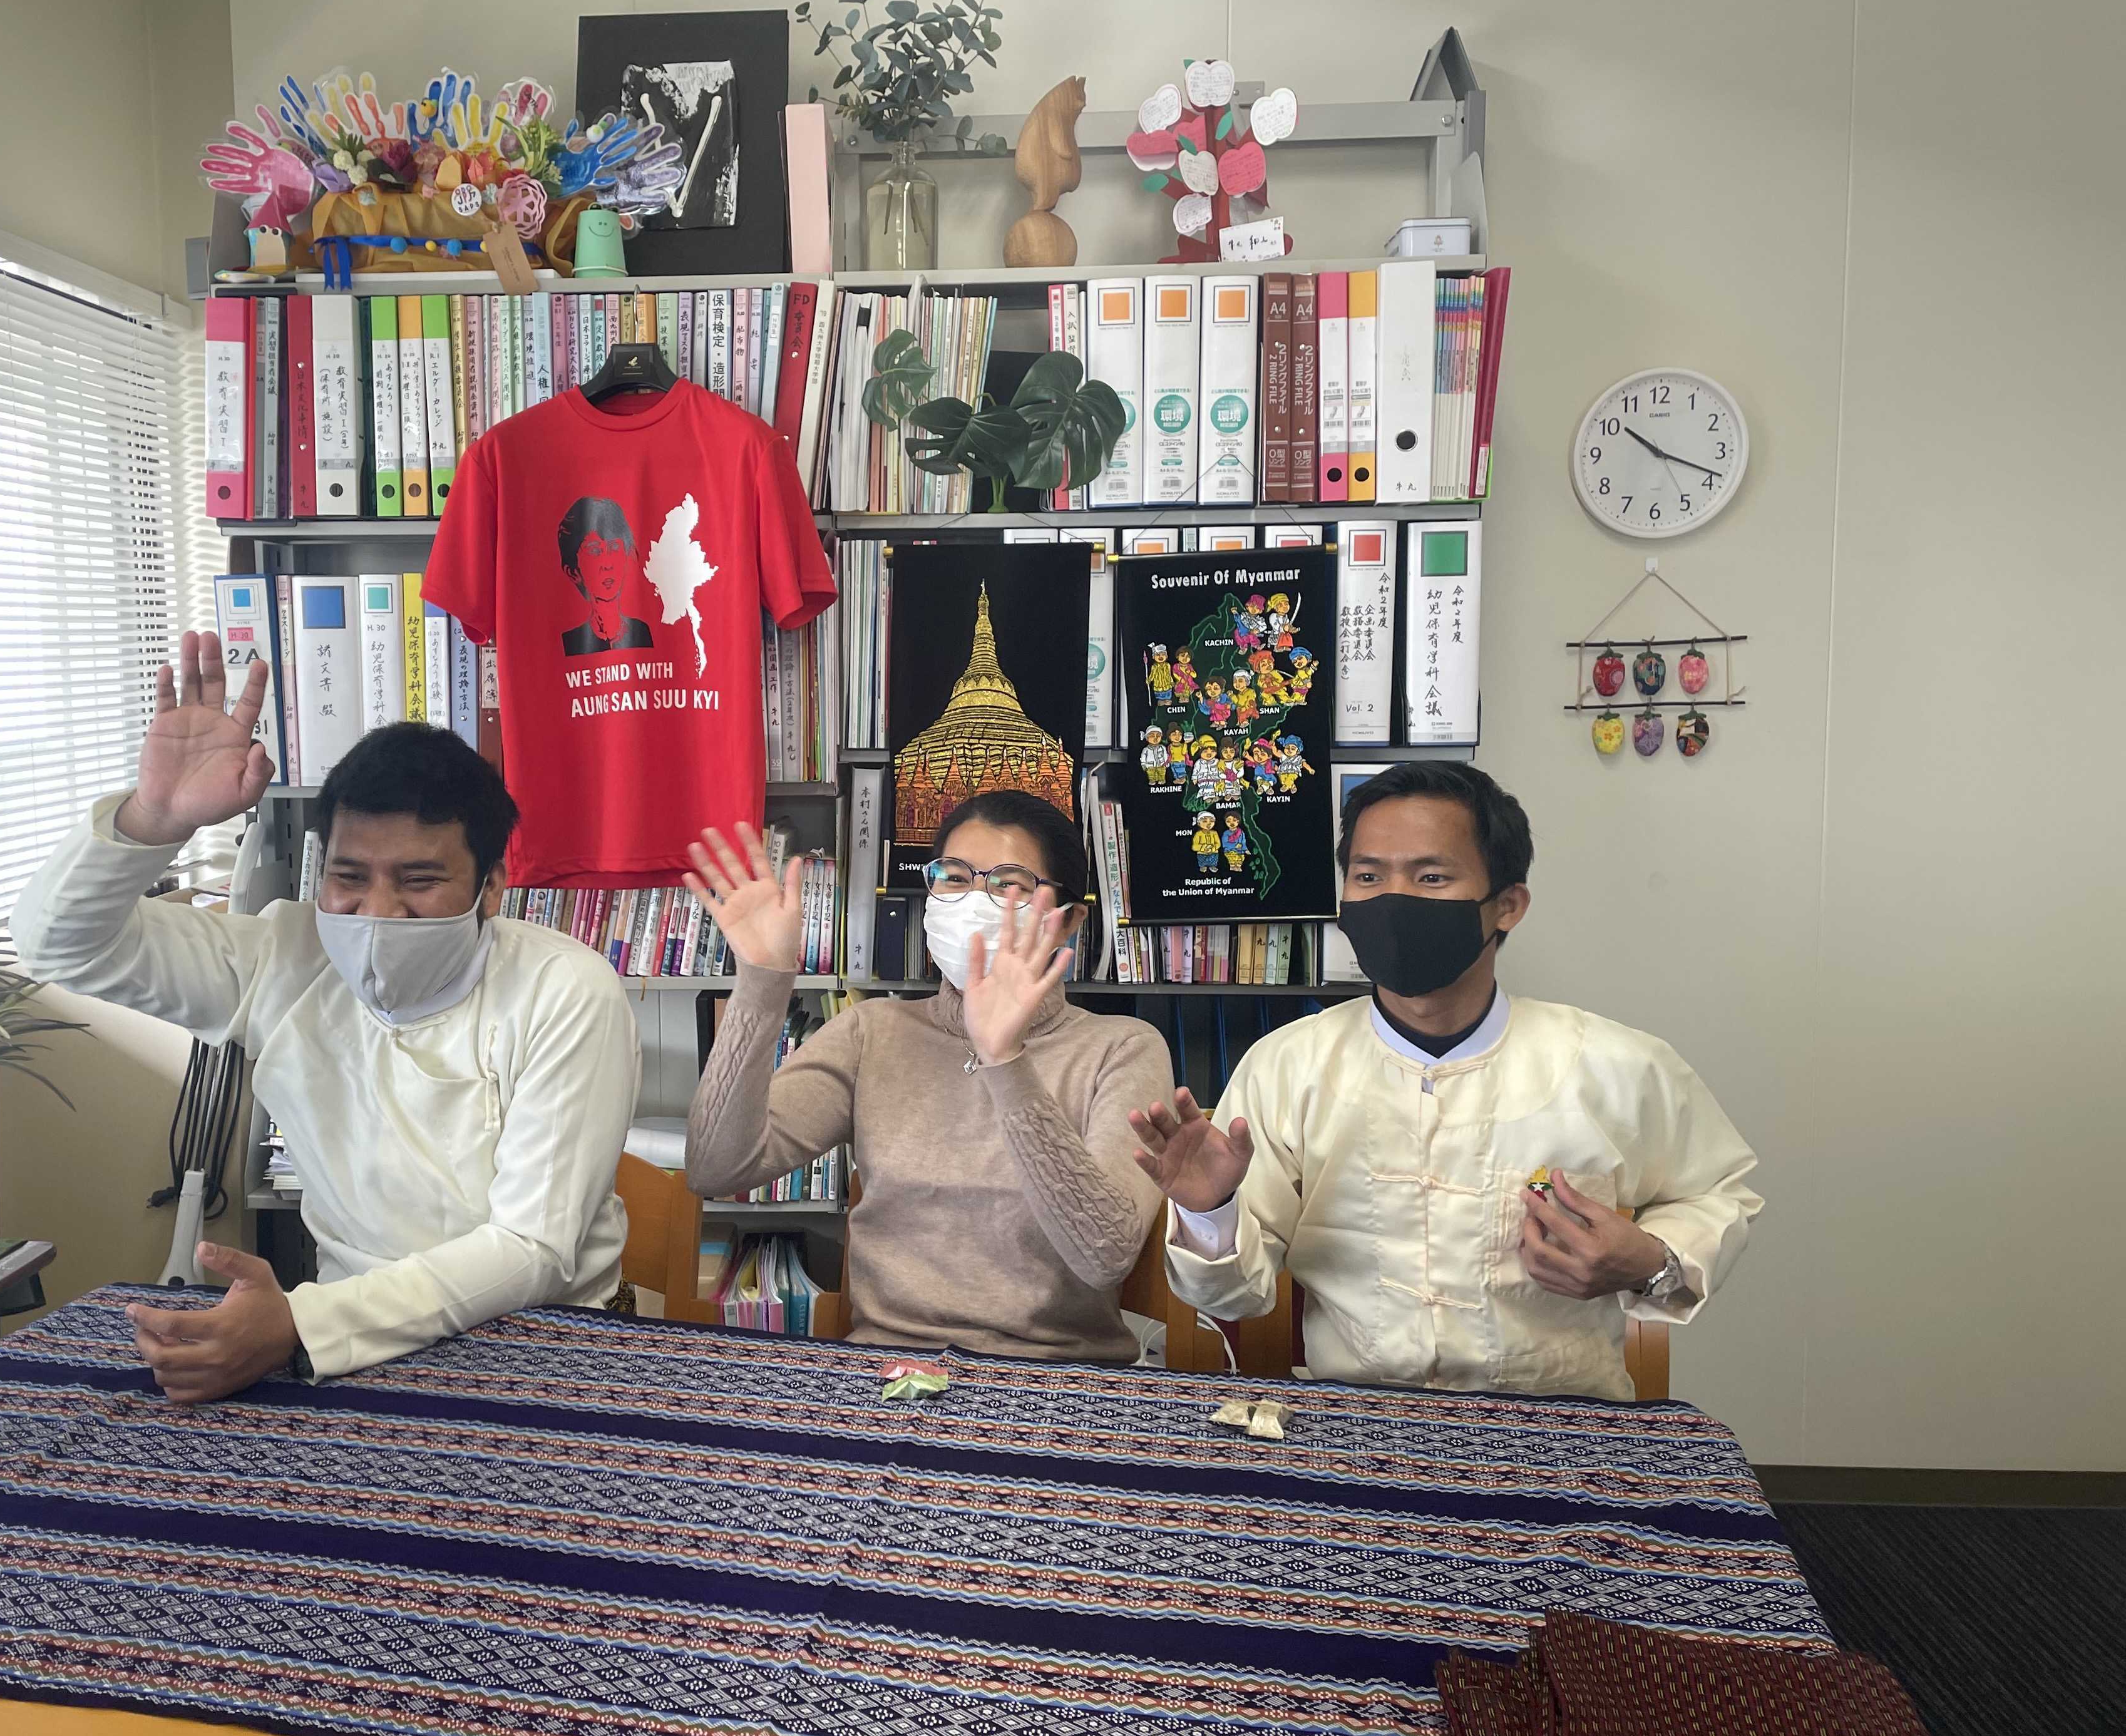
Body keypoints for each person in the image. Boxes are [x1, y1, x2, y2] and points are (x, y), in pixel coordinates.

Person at [11, 631, 639, 1403]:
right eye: (349, 877)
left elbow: (531, 1248)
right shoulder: (281, 956)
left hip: (543, 1345)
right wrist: (154, 818)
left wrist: (302, 1324)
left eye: (419, 880)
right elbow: (60, 946)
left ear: (493, 885)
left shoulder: (565, 990)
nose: (377, 912)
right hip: (352, 1349)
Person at [1129, 763, 1762, 1400]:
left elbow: (1718, 1192)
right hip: (1358, 1420)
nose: (1393, 900)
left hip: (1564, 1423)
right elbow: (1233, 1297)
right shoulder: (1287, 1067)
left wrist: (1653, 1261)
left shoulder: (1616, 1066)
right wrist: (1209, 1212)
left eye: (1431, 877)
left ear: (1507, 906)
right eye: (1368, 876)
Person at [682, 791, 1172, 1361]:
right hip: (886, 1370)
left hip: (1052, 1377)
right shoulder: (873, 1032)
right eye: (955, 878)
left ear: (1068, 920)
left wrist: (1006, 1060)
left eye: (1009, 884)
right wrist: (761, 982)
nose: (974, 902)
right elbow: (716, 1167)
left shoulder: (1122, 1049)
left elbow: (1105, 1255)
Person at [557, 495, 655, 655]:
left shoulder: (642, 632)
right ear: (573, 572)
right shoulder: (570, 642)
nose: (608, 565)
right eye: (595, 551)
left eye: (614, 547)